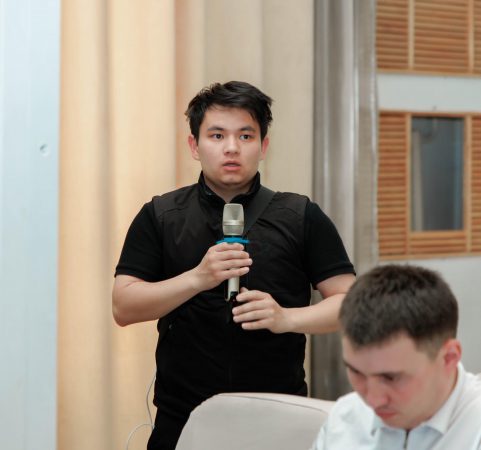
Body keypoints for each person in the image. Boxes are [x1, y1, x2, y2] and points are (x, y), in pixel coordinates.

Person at [112, 80, 355, 450]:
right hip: (182, 418)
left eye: (245, 136)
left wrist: (286, 318)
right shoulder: (160, 215)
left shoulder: (301, 215)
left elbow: (353, 305)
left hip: (279, 417)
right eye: (217, 135)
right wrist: (197, 278)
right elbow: (124, 306)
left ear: (264, 146)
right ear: (194, 146)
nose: (231, 147)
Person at [311, 264, 481, 450]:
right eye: (356, 372)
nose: (373, 401)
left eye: (390, 378)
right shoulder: (343, 419)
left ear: (449, 357)